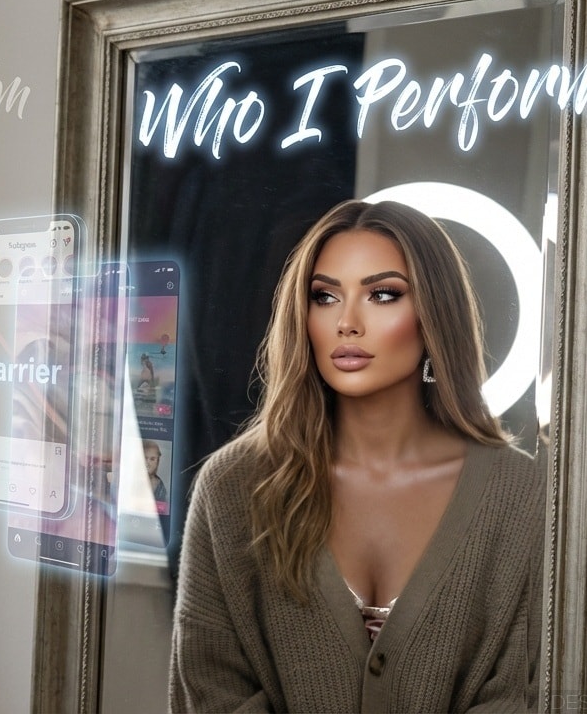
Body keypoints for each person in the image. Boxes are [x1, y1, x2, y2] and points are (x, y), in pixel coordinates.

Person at [169, 200, 543, 712]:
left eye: (382, 295)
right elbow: (211, 692)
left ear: (434, 316)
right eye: (324, 297)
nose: (346, 322)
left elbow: (520, 695)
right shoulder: (233, 487)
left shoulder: (522, 497)